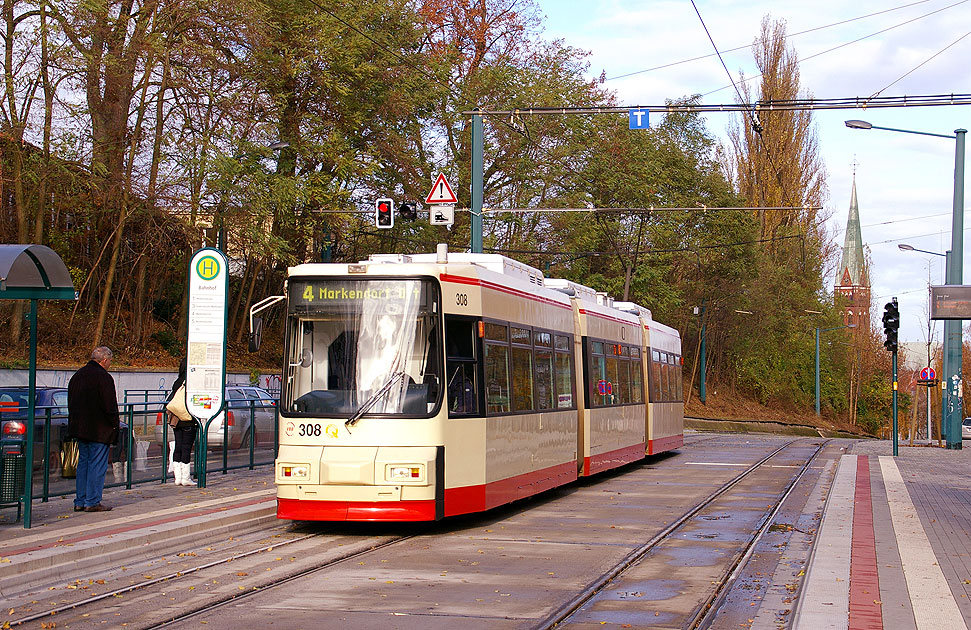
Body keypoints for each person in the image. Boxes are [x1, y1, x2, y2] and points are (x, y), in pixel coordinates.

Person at [67, 346, 120, 513]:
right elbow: (110, 406)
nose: (110, 364)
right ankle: (92, 500)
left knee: (83, 463)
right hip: (99, 429)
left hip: (80, 428)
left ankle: (80, 500)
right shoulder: (104, 378)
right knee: (97, 465)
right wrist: (114, 425)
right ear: (104, 360)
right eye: (110, 361)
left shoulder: (77, 376)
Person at [168, 356, 196, 486]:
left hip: (176, 419)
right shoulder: (192, 382)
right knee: (187, 447)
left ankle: (177, 477)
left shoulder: (177, 381)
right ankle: (186, 478)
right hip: (188, 419)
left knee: (178, 446)